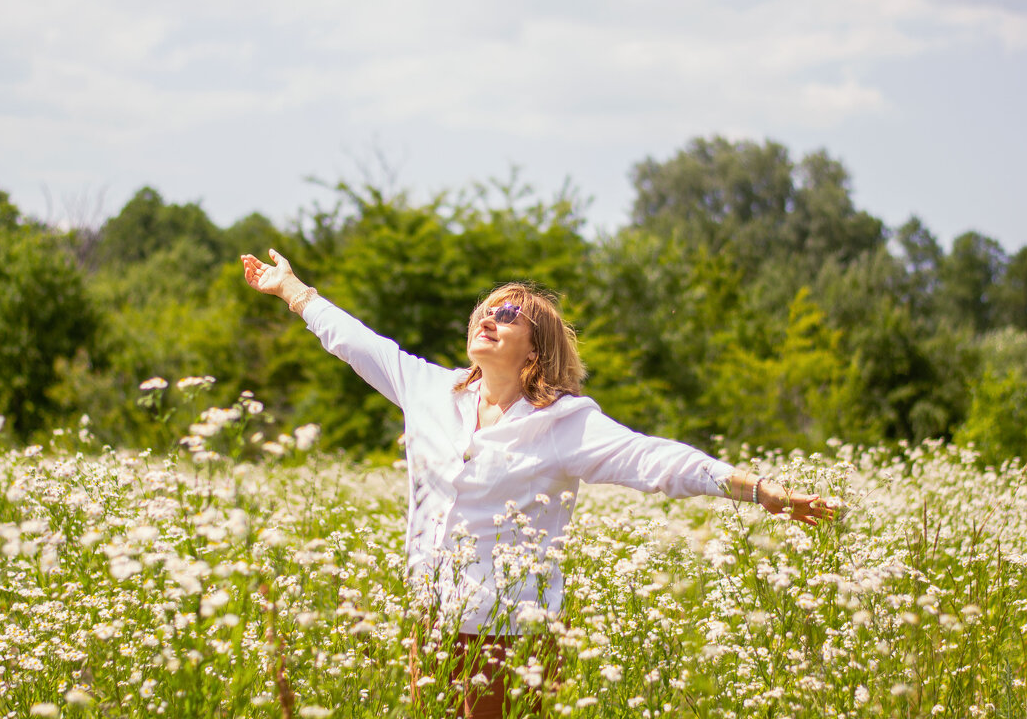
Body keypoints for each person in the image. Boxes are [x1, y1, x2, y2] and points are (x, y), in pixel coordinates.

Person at [240, 249, 835, 718]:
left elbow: (658, 460)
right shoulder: (429, 391)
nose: (488, 320)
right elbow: (354, 342)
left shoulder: (565, 422)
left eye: (507, 315)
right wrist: (290, 289)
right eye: (484, 311)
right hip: (431, 610)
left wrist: (760, 491)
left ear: (538, 345)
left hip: (508, 627)